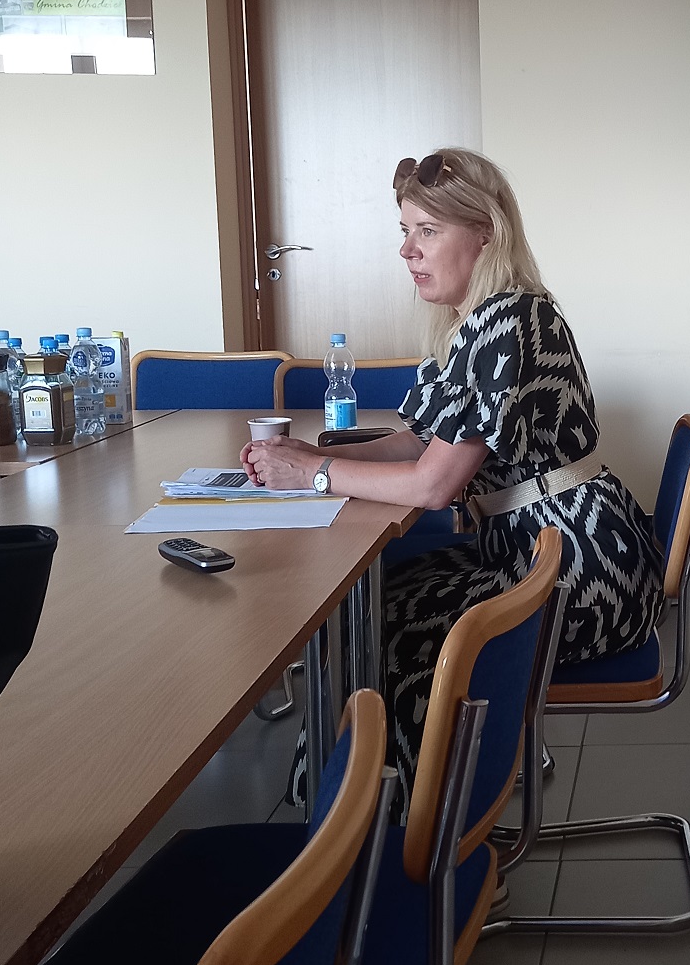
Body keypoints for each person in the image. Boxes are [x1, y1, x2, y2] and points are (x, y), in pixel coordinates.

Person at [244, 147, 663, 804]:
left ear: (486, 233)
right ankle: (362, 810)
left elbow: (433, 486)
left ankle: (411, 825)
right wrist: (309, 457)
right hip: (540, 551)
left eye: (428, 231)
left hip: (582, 572)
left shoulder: (508, 321)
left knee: (390, 633)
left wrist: (316, 474)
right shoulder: (479, 319)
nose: (407, 250)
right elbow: (420, 442)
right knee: (370, 605)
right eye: (405, 231)